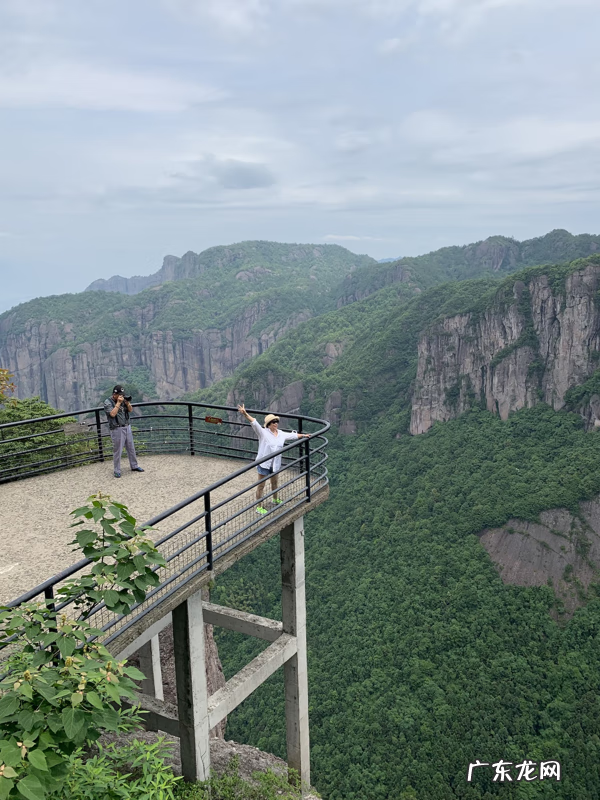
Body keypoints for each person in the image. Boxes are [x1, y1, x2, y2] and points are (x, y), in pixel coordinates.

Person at [238, 403, 309, 515]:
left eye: (276, 421)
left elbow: (292, 436)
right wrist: (245, 413)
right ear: (268, 424)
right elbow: (254, 422)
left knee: (275, 482)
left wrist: (304, 436)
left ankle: (275, 499)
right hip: (264, 463)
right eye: (273, 422)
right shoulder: (263, 433)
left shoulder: (280, 434)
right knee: (261, 486)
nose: (275, 423)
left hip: (275, 464)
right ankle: (259, 507)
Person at [103, 385, 144, 478]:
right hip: (117, 428)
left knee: (131, 448)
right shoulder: (108, 402)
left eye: (122, 394)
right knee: (118, 450)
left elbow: (130, 410)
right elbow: (112, 414)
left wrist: (127, 403)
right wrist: (118, 403)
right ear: (114, 394)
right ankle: (117, 470)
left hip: (127, 426)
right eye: (120, 395)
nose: (122, 396)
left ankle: (134, 466)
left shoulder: (123, 401)